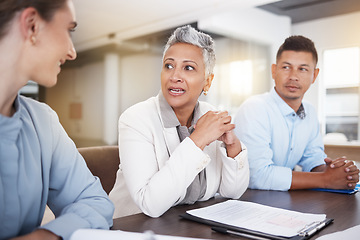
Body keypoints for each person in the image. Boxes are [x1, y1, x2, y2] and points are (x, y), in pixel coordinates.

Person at [0, 1, 114, 239]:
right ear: (32, 26)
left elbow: (95, 202)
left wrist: (47, 235)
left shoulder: (44, 122)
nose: (72, 52)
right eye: (68, 30)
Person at [109, 25, 249, 218]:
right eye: (169, 66)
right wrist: (197, 140)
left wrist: (233, 146)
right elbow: (150, 204)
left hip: (184, 226)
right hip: (133, 228)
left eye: (188, 68)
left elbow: (232, 192)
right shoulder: (135, 119)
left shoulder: (210, 115)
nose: (174, 76)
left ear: (207, 81)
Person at [234, 35, 359, 191]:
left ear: (314, 75)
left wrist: (338, 172)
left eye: (303, 69)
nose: (293, 76)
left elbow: (313, 158)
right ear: (274, 71)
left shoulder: (310, 111)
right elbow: (257, 175)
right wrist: (325, 179)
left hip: (283, 202)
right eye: (286, 67)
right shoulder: (254, 108)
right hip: (248, 202)